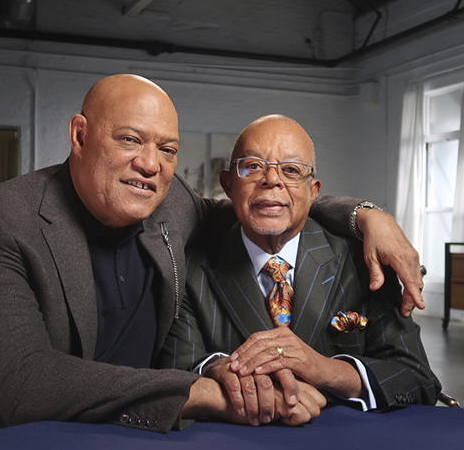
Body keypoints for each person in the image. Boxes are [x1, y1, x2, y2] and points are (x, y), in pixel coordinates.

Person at [0, 75, 425, 450]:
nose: (149, 163)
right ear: (79, 135)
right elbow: (24, 384)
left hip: (112, 439)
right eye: (129, 139)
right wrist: (212, 394)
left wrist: (368, 216)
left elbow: (266, 201)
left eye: (167, 149)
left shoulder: (173, 205)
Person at [158, 115, 440, 425]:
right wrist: (221, 370)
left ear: (313, 191)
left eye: (291, 170)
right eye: (253, 166)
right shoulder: (190, 266)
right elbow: (176, 371)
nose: (272, 180)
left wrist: (325, 369)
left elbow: (417, 379)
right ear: (228, 184)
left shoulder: (363, 261)